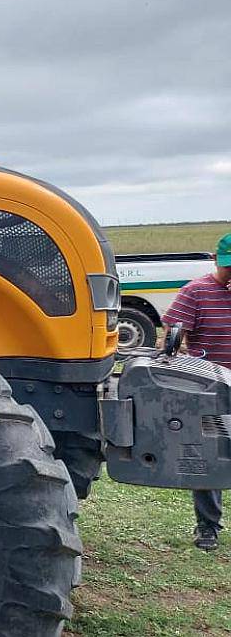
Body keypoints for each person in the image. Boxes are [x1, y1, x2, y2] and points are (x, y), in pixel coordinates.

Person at [162, 232, 231, 551]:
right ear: (217, 261)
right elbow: (173, 338)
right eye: (229, 267)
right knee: (211, 455)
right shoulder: (195, 292)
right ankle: (208, 527)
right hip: (211, 390)